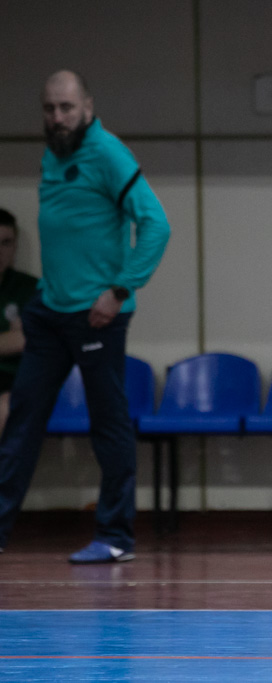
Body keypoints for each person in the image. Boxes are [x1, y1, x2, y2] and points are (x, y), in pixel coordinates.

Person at [0, 71, 171, 562]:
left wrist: (118, 291)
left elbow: (156, 225)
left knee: (108, 424)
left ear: (88, 108)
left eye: (67, 108)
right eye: (49, 108)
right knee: (22, 422)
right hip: (49, 311)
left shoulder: (108, 153)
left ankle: (115, 537)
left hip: (97, 316)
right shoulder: (53, 153)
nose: (57, 117)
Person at [0, 209, 39, 437]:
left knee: (5, 408)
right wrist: (9, 339)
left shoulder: (30, 288)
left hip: (14, 380)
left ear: (14, 247)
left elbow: (27, 340)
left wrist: (18, 338)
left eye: (6, 243)